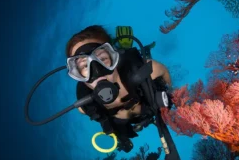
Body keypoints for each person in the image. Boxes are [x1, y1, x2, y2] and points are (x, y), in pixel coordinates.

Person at [65, 25, 172, 153]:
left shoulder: (148, 70)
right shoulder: (85, 107)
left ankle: (144, 50)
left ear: (114, 56)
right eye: (84, 66)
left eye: (103, 58)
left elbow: (164, 73)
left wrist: (170, 92)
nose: (97, 72)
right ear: (77, 74)